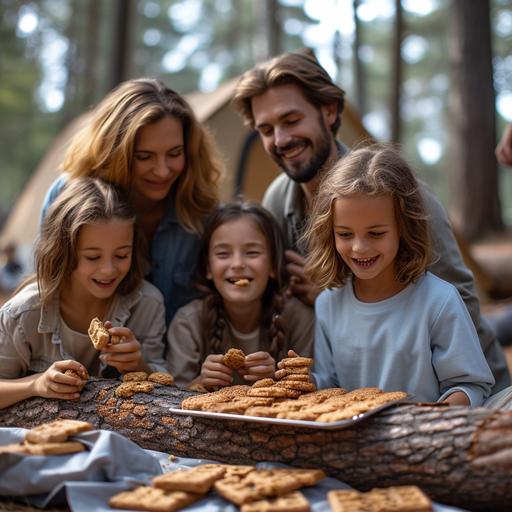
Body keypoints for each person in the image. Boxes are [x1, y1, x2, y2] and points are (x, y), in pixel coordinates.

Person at [232, 49, 510, 395]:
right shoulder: (277, 199)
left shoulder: (402, 195)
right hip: (348, 390)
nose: (281, 139)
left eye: (291, 120)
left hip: (443, 393)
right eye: (266, 129)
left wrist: (465, 397)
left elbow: (458, 298)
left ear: (330, 111)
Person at [303, 145, 494, 405]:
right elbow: (331, 385)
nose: (359, 247)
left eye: (376, 233)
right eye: (345, 234)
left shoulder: (439, 301)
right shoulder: (328, 304)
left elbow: (470, 385)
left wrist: (435, 418)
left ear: (403, 227)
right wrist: (305, 381)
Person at [41, 78, 223, 325]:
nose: (162, 170)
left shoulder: (201, 211)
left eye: (174, 154)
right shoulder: (67, 197)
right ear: (114, 153)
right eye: (144, 156)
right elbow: (45, 292)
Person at [0, 178, 167, 410]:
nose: (108, 270)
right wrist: (36, 384)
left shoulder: (147, 304)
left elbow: (167, 389)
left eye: (121, 255)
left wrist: (138, 364)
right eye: (92, 257)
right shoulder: (23, 314)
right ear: (63, 252)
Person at [166, 201, 314, 389]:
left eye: (252, 253)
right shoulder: (188, 322)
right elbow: (170, 403)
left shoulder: (299, 317)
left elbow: (313, 393)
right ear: (208, 268)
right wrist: (201, 382)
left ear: (273, 266)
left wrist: (278, 379)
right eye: (223, 254)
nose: (237, 263)